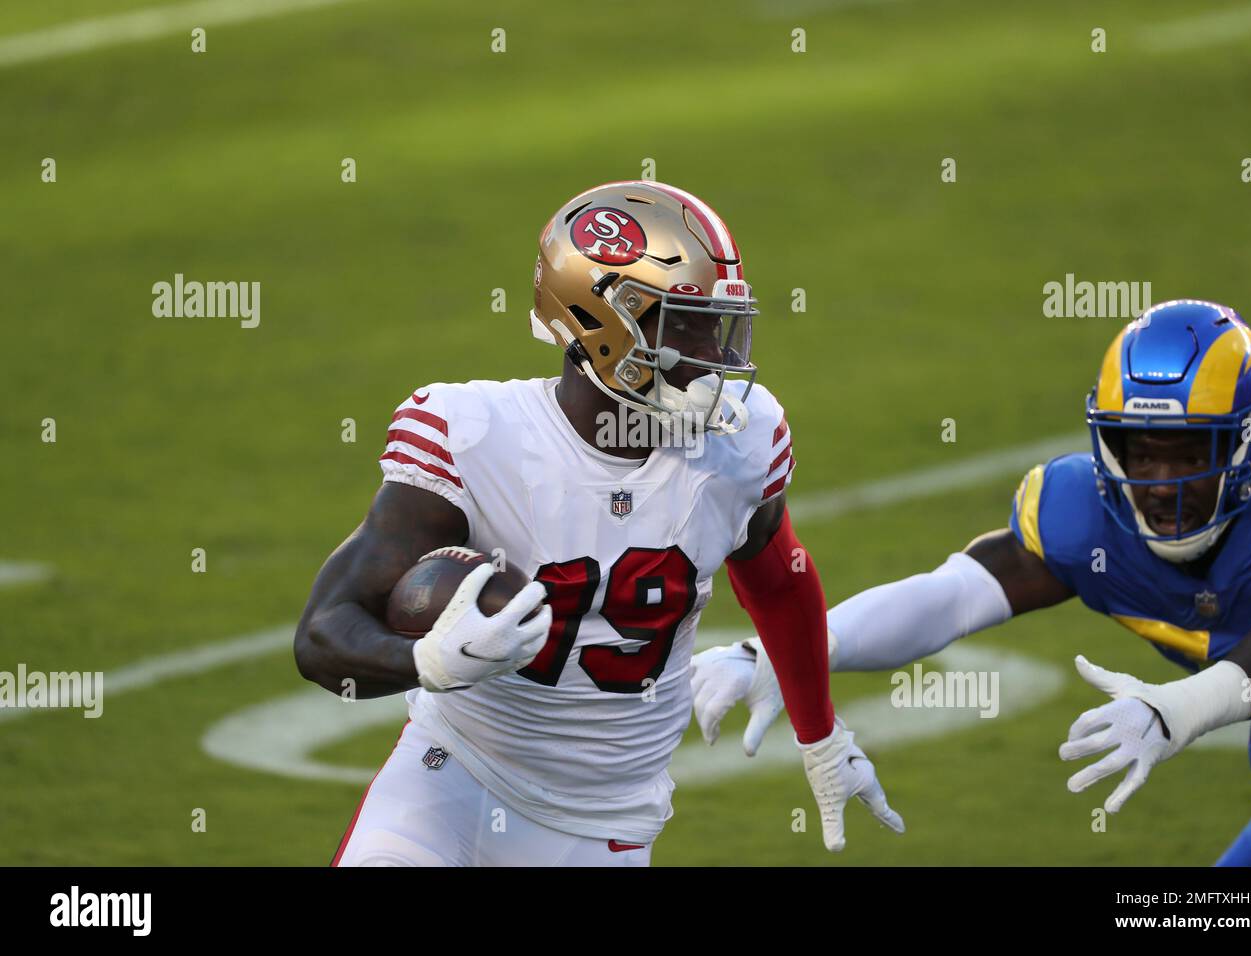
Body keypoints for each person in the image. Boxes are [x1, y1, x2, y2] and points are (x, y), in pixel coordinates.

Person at [295, 180, 903, 866]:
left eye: (723, 324)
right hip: (449, 785)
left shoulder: (741, 442)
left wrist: (820, 737)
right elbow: (323, 634)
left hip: (605, 828)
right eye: (689, 323)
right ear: (603, 321)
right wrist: (426, 662)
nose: (722, 356)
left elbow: (779, 582)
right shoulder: (473, 436)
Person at [692, 299, 1251, 866]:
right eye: (1140, 453)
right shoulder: (1083, 516)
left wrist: (1177, 709)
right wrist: (787, 649)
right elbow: (952, 596)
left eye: (1192, 455)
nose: (1161, 483)